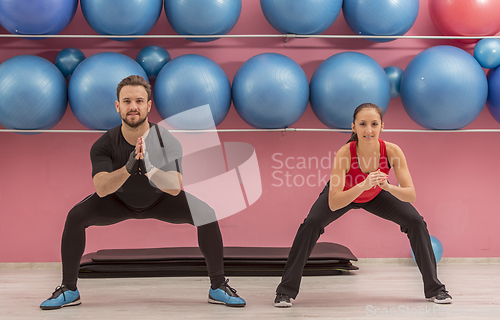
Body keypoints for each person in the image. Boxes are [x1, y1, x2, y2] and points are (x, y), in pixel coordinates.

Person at [40, 75, 246, 310]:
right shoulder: (104, 145)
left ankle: (218, 287)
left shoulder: (167, 140)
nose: (133, 107)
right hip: (116, 201)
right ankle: (69, 289)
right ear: (118, 106)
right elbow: (102, 188)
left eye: (139, 101)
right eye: (127, 101)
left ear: (148, 106)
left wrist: (149, 169)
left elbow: (174, 186)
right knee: (75, 216)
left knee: (206, 213)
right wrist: (128, 168)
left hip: (161, 200)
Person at [274, 103, 452, 307]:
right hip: (345, 194)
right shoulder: (345, 153)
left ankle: (435, 290)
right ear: (353, 127)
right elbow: (334, 202)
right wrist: (363, 185)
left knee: (416, 221)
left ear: (382, 126)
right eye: (363, 124)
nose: (369, 130)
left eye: (374, 124)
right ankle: (285, 292)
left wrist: (387, 187)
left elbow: (410, 194)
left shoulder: (392, 151)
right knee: (310, 225)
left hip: (377, 193)